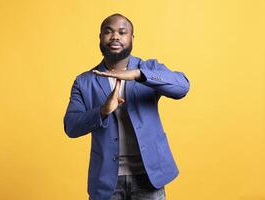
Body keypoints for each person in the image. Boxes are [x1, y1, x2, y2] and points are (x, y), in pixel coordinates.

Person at [63, 13, 190, 200]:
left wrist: (139, 75)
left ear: (131, 38)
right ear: (100, 37)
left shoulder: (149, 68)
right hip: (106, 181)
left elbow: (182, 86)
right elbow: (71, 126)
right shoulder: (84, 81)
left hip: (149, 177)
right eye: (109, 32)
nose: (115, 36)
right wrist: (102, 111)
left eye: (122, 32)